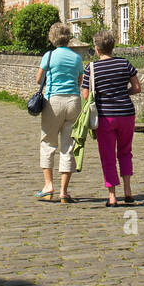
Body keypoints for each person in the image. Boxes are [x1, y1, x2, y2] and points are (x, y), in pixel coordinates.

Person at [81, 29, 141, 207]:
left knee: (107, 155)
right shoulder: (125, 64)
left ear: (97, 49)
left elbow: (85, 95)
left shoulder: (92, 68)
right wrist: (124, 92)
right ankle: (128, 191)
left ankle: (112, 196)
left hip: (105, 116)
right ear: (112, 47)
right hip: (126, 114)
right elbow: (137, 87)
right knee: (125, 151)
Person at [35, 21, 84, 203]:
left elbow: (39, 78)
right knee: (68, 145)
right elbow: (79, 80)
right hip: (73, 101)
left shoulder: (48, 56)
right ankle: (64, 191)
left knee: (48, 142)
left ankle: (48, 187)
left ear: (52, 38)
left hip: (53, 101)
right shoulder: (77, 58)